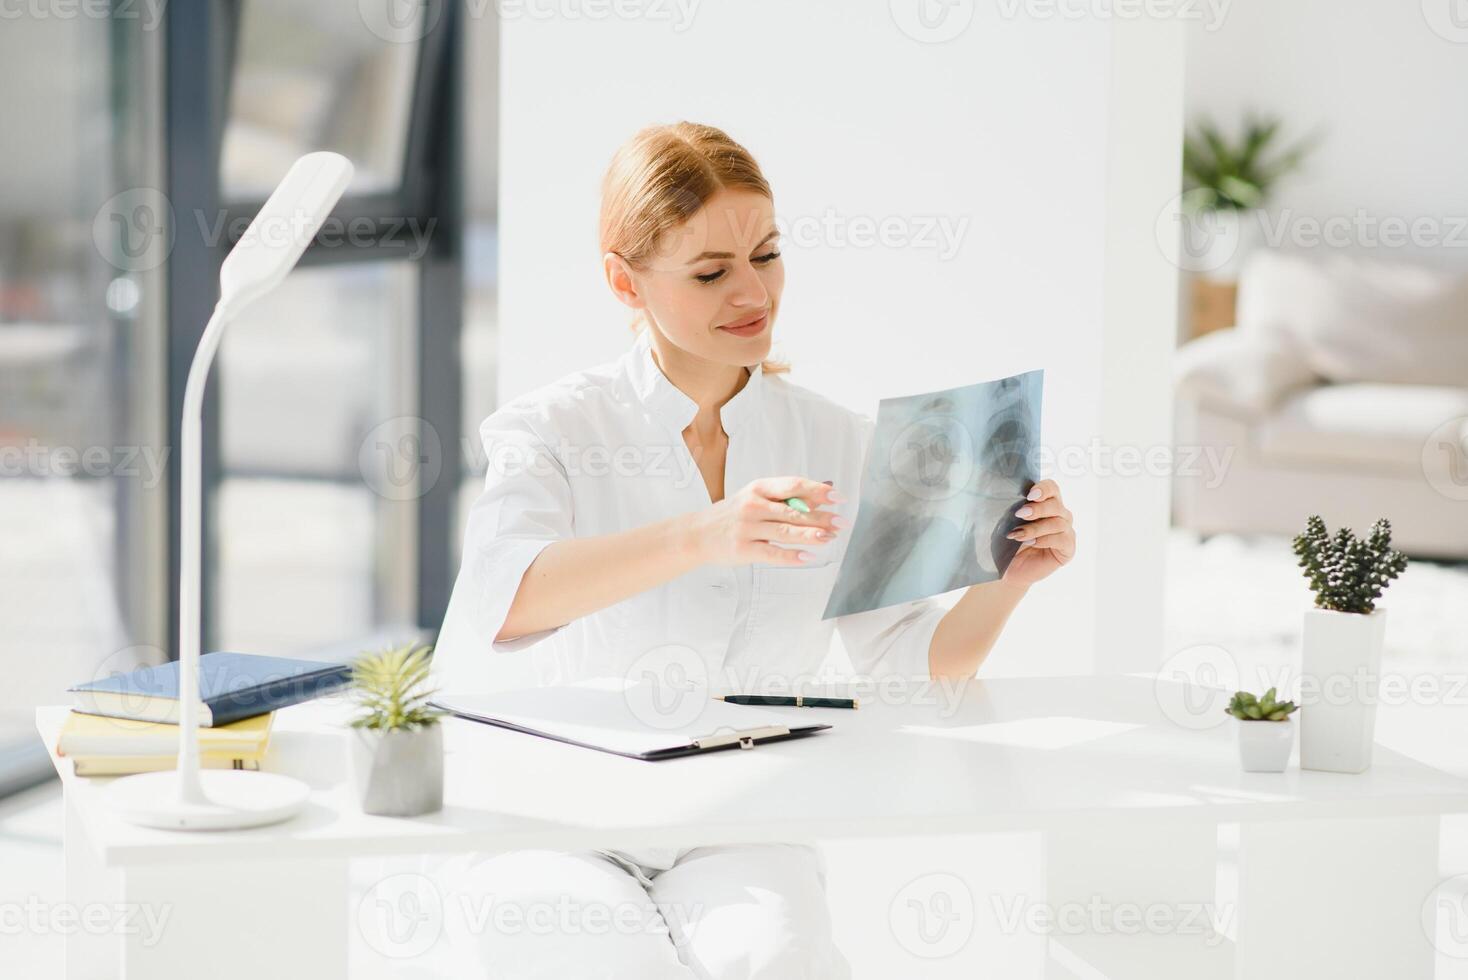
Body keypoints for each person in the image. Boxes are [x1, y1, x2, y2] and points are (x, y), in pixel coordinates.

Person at [432, 121, 1077, 979]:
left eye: (766, 257)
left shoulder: (837, 441)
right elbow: (504, 599)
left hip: (740, 819)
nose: (753, 293)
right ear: (625, 281)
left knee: (779, 961)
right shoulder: (551, 430)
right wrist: (705, 533)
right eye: (711, 273)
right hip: (560, 819)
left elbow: (913, 665)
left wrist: (1010, 580)